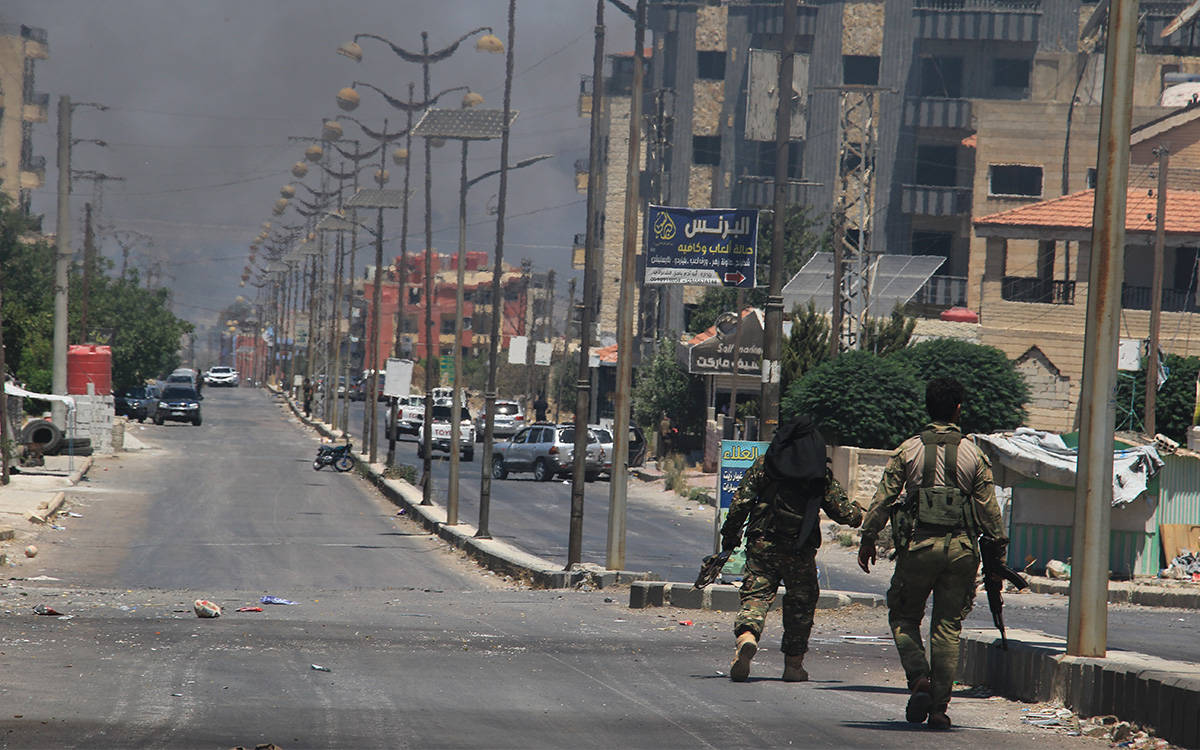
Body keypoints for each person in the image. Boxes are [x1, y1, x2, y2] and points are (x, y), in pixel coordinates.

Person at [856, 377, 1007, 730]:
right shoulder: (975, 455)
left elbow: (883, 499)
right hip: (962, 551)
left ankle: (919, 676)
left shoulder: (907, 451)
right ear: (958, 409)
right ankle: (939, 709)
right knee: (947, 628)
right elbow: (990, 513)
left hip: (918, 548)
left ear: (927, 406)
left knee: (903, 616)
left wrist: (868, 537)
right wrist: (998, 557)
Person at [719, 414, 862, 683]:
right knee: (801, 604)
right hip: (799, 550)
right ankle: (793, 666)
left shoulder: (766, 464)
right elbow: (845, 514)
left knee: (755, 595)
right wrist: (859, 513)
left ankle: (747, 636)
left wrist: (729, 537)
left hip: (763, 545)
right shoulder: (818, 473)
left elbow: (740, 503)